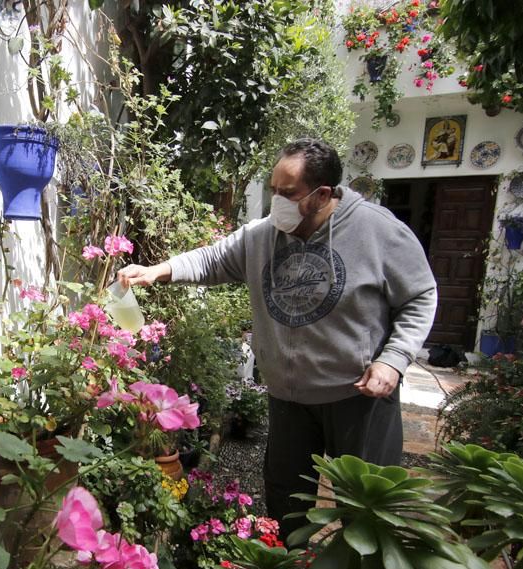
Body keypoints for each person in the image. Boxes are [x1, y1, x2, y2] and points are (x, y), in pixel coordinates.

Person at [118, 138, 437, 539]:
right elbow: (212, 258)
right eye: (273, 190)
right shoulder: (263, 236)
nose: (276, 202)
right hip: (290, 397)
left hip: (359, 396)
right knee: (287, 502)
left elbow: (421, 295)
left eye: (287, 194)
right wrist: (156, 270)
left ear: (322, 195)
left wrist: (394, 359)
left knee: (368, 505)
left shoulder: (379, 231)